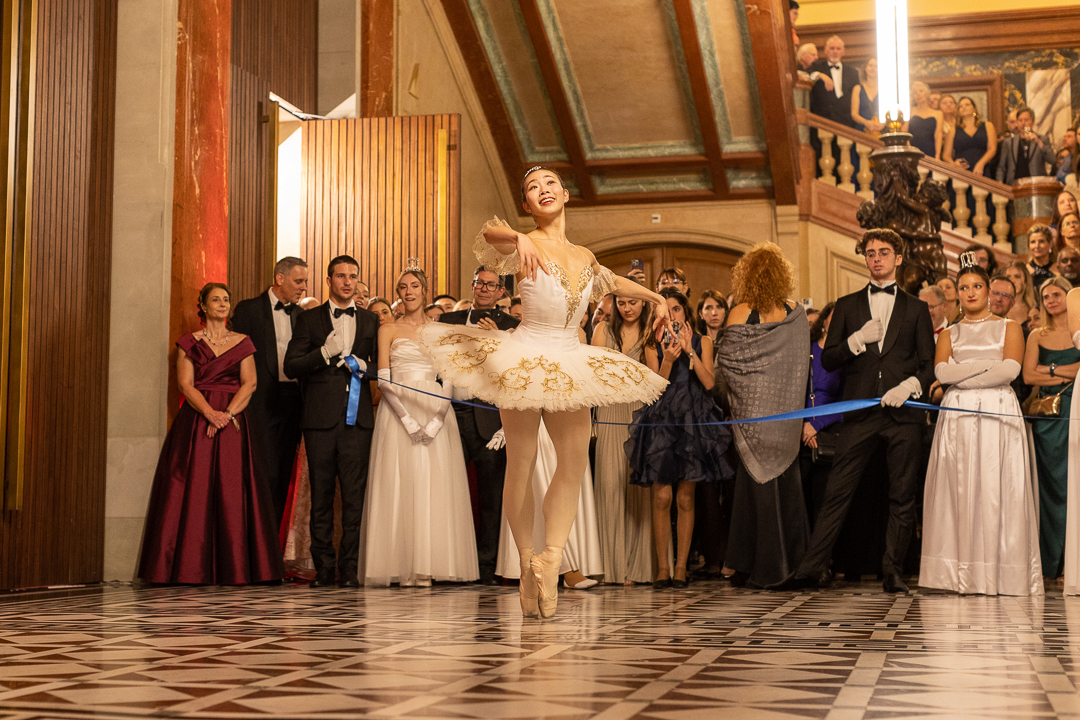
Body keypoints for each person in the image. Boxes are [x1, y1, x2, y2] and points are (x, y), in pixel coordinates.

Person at [419, 166, 669, 618]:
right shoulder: (521, 243)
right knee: (523, 459)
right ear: (527, 204)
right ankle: (524, 557)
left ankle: (550, 559)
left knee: (573, 462)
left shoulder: (584, 255)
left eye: (551, 183)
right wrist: (519, 237)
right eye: (533, 187)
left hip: (569, 357)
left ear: (566, 194)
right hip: (525, 356)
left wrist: (657, 298)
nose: (543, 189)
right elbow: (488, 233)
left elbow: (611, 282)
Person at [771, 229, 935, 593]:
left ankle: (893, 571)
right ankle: (811, 568)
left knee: (902, 495)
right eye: (870, 253)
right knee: (837, 492)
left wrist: (909, 386)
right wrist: (856, 340)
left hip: (903, 415)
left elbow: (929, 366)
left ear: (897, 258)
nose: (876, 258)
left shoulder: (917, 308)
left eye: (884, 252)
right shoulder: (847, 305)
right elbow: (828, 359)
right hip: (860, 414)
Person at [139, 283, 284, 585]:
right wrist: (209, 413)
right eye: (215, 299)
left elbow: (250, 384)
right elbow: (185, 384)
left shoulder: (243, 342)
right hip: (196, 422)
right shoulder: (188, 343)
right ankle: (188, 568)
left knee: (233, 489)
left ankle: (237, 567)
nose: (222, 304)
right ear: (203, 306)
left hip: (233, 422)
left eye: (226, 300)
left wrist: (227, 414)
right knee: (193, 489)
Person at [920, 256, 1042, 595]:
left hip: (997, 410)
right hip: (957, 415)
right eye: (963, 288)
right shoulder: (950, 332)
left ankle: (1001, 572)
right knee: (958, 486)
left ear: (988, 291)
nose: (970, 292)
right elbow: (941, 372)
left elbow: (1010, 370)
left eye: (977, 286)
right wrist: (984, 368)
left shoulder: (1009, 327)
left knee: (996, 485)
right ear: (957, 294)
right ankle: (956, 573)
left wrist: (962, 378)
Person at [360, 266, 477, 586]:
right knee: (400, 481)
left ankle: (429, 563)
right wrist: (407, 419)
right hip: (397, 410)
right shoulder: (388, 329)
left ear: (424, 291)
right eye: (402, 287)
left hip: (435, 406)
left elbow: (448, 376)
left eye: (414, 286)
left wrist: (438, 417)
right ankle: (400, 563)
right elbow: (383, 379)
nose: (408, 291)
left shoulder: (440, 330)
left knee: (432, 482)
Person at [284, 255, 380, 588]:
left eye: (353, 276)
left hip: (358, 422)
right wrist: (323, 353)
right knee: (322, 498)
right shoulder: (308, 319)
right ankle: (325, 568)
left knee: (355, 498)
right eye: (341, 276)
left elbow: (382, 367)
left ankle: (349, 569)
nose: (347, 282)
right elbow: (291, 366)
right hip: (319, 420)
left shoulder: (370, 320)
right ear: (329, 280)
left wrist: (366, 367)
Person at [719, 243, 811, 589]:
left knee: (752, 492)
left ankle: (751, 565)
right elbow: (801, 366)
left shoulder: (740, 312)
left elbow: (728, 365)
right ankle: (794, 564)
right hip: (787, 416)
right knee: (788, 489)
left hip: (753, 418)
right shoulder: (796, 313)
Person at [628, 289, 732, 588]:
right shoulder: (651, 342)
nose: (671, 315)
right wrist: (668, 360)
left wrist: (688, 352)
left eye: (676, 309)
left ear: (685, 313)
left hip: (692, 421)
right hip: (662, 420)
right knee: (662, 496)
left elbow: (709, 383)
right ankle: (663, 567)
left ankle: (682, 567)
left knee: (686, 497)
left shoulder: (703, 341)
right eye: (666, 310)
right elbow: (654, 387)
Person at [436, 267, 520, 586]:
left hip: (490, 417)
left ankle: (486, 566)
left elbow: (515, 373)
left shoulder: (512, 326)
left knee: (490, 496)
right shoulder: (448, 321)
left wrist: (498, 340)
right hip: (449, 412)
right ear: (472, 286)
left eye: (491, 285)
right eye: (479, 283)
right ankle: (448, 563)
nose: (484, 288)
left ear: (501, 291)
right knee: (447, 491)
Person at [230, 257, 309, 524]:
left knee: (284, 474)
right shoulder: (249, 310)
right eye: (298, 281)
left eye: (305, 282)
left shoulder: (302, 315)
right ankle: (253, 534)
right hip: (259, 401)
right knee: (262, 473)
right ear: (279, 278)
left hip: (293, 402)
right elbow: (234, 358)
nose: (303, 287)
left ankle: (272, 538)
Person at [591, 293, 656, 584]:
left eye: (633, 302)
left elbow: (654, 375)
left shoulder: (649, 331)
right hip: (608, 408)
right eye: (622, 303)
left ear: (643, 303)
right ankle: (609, 566)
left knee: (635, 485)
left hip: (638, 409)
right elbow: (592, 370)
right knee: (608, 484)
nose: (627, 308)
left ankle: (638, 567)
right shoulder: (602, 329)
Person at [1023, 276, 1079, 584]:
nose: (1051, 300)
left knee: (1074, 483)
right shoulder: (1036, 335)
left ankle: (1073, 561)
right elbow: (1029, 376)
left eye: (1057, 294)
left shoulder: (1078, 332)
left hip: (1076, 410)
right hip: (1048, 417)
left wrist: (1049, 370)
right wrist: (1062, 374)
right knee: (1049, 486)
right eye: (1046, 296)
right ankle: (1050, 563)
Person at [801, 302, 844, 525]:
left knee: (822, 501)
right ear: (824, 320)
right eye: (833, 317)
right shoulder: (806, 350)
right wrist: (804, 425)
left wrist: (816, 425)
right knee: (799, 501)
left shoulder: (846, 356)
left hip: (828, 433)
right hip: (799, 431)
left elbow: (847, 404)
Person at [807, 35, 859, 128]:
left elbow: (857, 97)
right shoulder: (817, 67)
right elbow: (806, 74)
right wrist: (820, 75)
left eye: (838, 49)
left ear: (843, 51)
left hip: (846, 123)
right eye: (832, 48)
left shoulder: (853, 72)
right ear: (825, 50)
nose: (835, 51)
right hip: (822, 123)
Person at [996, 107, 1056, 185]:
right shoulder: (1009, 142)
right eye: (1020, 120)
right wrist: (999, 181)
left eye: (1026, 120)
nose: (1023, 123)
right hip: (1014, 184)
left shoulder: (1042, 139)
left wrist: (1038, 142)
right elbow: (1001, 166)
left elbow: (1052, 160)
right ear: (1017, 123)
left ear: (1033, 122)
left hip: (1036, 184)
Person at [945, 97, 997, 178]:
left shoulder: (987, 126)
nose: (964, 107)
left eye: (967, 104)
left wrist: (981, 164)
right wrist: (954, 165)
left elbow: (992, 149)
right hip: (961, 172)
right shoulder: (953, 130)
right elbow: (946, 155)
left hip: (982, 169)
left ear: (974, 109)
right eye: (960, 106)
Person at [904, 81, 943, 159]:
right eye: (915, 92)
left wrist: (937, 156)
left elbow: (938, 135)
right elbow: (904, 132)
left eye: (921, 91)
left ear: (927, 93)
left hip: (931, 151)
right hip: (913, 151)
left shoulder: (938, 113)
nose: (918, 94)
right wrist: (910, 150)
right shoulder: (909, 111)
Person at [849, 57, 881, 134]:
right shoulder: (857, 89)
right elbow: (854, 114)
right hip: (862, 131)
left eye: (876, 66)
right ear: (865, 68)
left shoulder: (885, 89)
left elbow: (890, 112)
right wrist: (866, 122)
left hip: (881, 131)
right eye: (870, 65)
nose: (873, 68)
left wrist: (883, 124)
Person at [1004, 260, 1037, 326]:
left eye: (1017, 276)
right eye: (1008, 277)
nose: (1012, 281)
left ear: (1025, 281)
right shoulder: (997, 308)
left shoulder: (1035, 308)